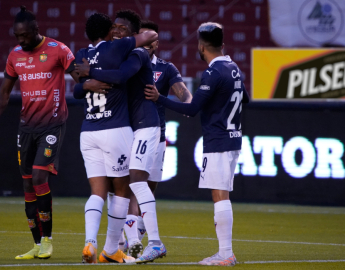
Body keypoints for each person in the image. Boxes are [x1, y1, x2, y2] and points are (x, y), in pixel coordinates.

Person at [144, 22, 249, 266]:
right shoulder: (233, 67)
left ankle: (226, 253)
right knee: (222, 193)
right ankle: (225, 252)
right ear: (222, 44)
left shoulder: (213, 72)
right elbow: (245, 97)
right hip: (233, 137)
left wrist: (160, 98)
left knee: (220, 195)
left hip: (218, 139)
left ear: (201, 46)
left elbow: (191, 109)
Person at [0, 6, 78, 260]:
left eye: (25, 35)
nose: (21, 40)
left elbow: (77, 74)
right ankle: (36, 244)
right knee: (27, 183)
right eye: (17, 36)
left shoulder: (58, 49)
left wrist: (92, 80)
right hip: (26, 127)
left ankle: (48, 240)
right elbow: (4, 92)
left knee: (39, 178)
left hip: (53, 124)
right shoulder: (15, 55)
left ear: (36, 31)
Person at [76, 9, 167, 264]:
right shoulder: (114, 51)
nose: (117, 31)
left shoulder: (134, 52)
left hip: (140, 126)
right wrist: (85, 82)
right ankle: (113, 246)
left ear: (134, 34)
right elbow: (76, 86)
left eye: (122, 29)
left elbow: (119, 76)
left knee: (129, 185)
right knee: (122, 189)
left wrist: (88, 77)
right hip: (121, 128)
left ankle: (141, 242)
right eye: (114, 27)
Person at [121, 19, 192, 253]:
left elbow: (187, 99)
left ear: (156, 42)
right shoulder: (129, 64)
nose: (145, 42)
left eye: (149, 38)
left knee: (147, 190)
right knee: (133, 186)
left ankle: (131, 237)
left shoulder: (166, 68)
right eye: (140, 37)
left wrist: (161, 97)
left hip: (157, 135)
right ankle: (130, 241)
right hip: (129, 132)